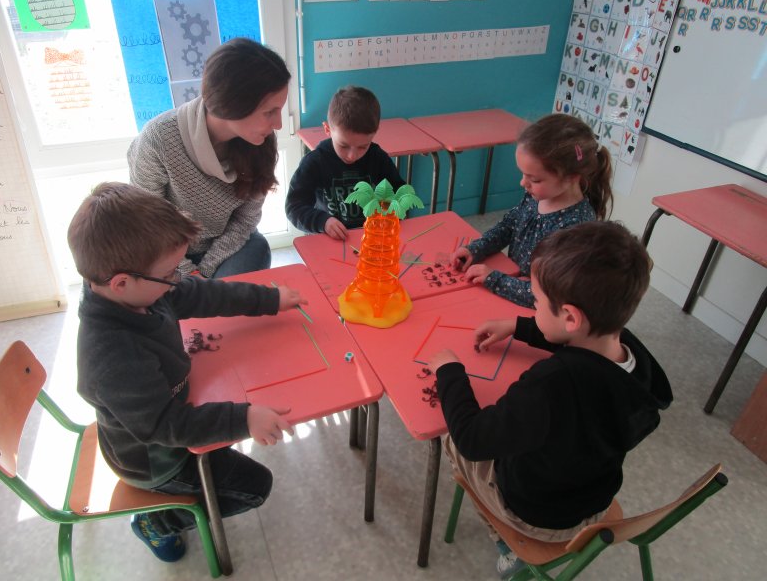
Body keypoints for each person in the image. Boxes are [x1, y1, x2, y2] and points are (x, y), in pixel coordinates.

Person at [67, 182, 307, 563]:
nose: (175, 280)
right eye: (168, 274)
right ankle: (157, 523)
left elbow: (200, 293)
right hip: (156, 460)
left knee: (229, 417)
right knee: (256, 486)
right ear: (121, 283)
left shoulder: (139, 292)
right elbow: (168, 426)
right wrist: (244, 418)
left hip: (170, 412)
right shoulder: (111, 356)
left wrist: (269, 299)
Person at [430, 221, 672, 579]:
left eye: (537, 301)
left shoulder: (551, 384)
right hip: (594, 500)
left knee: (447, 437)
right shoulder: (633, 359)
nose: (534, 306)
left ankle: (507, 543)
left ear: (570, 316)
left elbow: (472, 439)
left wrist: (449, 372)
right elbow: (579, 342)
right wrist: (518, 326)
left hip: (537, 515)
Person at [128, 37, 291, 278]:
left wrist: (205, 274)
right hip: (164, 253)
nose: (278, 124)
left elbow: (245, 221)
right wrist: (189, 274)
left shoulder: (261, 141)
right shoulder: (158, 139)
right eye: (269, 112)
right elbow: (148, 225)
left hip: (222, 250)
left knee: (257, 247)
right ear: (233, 105)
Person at [450, 113, 613, 307]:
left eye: (534, 179)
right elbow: (509, 226)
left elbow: (550, 296)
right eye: (523, 174)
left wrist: (494, 279)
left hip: (538, 313)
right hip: (511, 287)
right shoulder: (536, 195)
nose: (523, 183)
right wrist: (476, 249)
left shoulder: (576, 228)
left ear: (572, 177)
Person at [285, 85, 405, 240]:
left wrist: (389, 211)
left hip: (372, 237)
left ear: (375, 133)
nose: (352, 156)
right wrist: (323, 222)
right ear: (327, 129)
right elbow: (294, 207)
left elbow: (400, 193)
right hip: (328, 239)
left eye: (363, 147)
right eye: (343, 145)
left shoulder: (377, 158)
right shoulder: (315, 162)